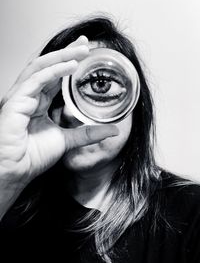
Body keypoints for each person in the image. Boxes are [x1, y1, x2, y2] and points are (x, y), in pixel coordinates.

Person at [0, 16, 200, 263]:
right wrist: (5, 177)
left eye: (100, 84)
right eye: (55, 93)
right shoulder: (10, 205)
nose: (71, 112)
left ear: (135, 104)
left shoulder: (191, 214)